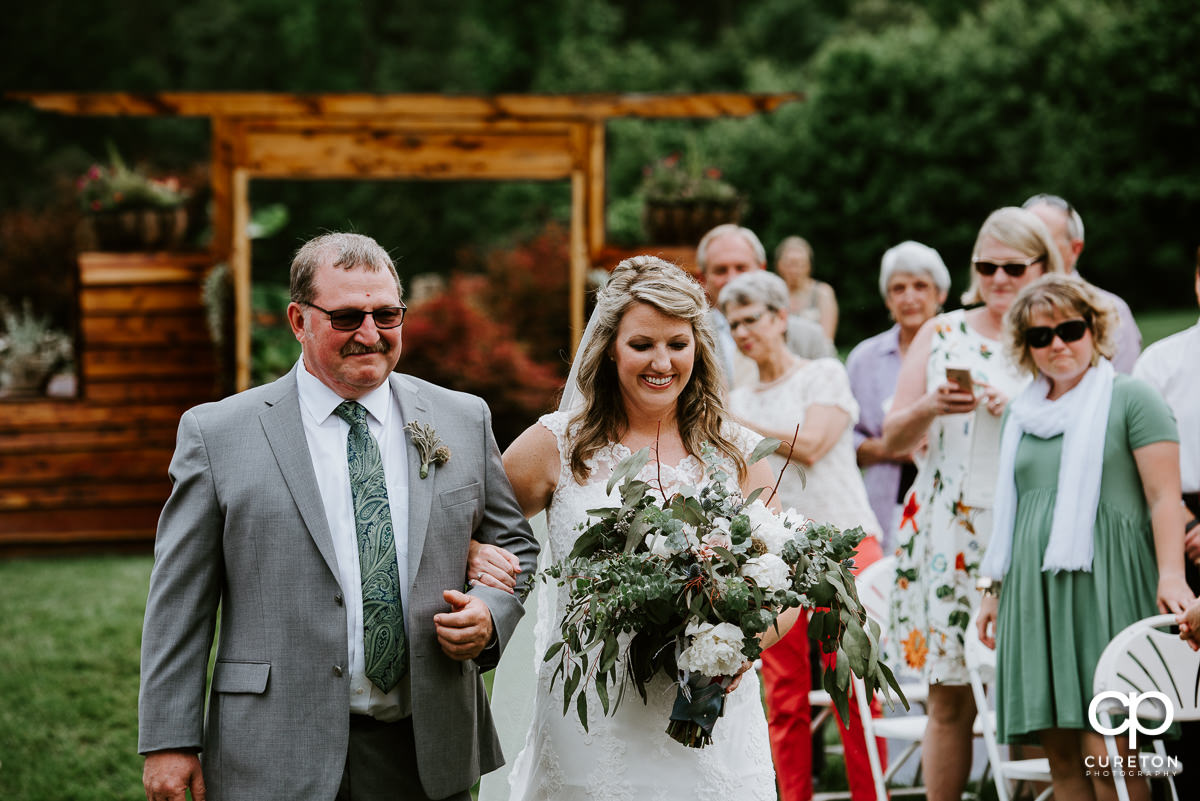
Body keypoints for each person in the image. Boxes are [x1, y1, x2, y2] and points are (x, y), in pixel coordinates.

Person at [137, 232, 540, 801]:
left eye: (387, 314)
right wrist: (168, 741)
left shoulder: (461, 418)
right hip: (273, 747)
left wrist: (490, 614)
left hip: (425, 746)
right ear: (299, 320)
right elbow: (179, 603)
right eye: (348, 316)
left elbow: (516, 546)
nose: (370, 334)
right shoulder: (217, 434)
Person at [492, 255, 797, 800]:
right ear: (609, 347)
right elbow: (479, 535)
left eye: (677, 344)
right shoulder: (556, 446)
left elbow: (785, 587)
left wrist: (737, 652)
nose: (662, 361)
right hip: (593, 719)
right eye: (642, 345)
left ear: (697, 347)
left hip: (711, 723)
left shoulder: (739, 453)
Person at [976, 274, 1193, 801]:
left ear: (1094, 330)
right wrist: (992, 589)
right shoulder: (1021, 412)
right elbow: (1010, 509)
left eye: (1070, 329)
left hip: (1106, 582)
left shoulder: (1132, 396)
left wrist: (1171, 574)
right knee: (1059, 750)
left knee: (1111, 746)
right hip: (1034, 591)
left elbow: (1165, 497)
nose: (1057, 345)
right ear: (1025, 348)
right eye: (1040, 336)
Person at [881, 207, 1064, 801]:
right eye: (987, 266)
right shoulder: (944, 332)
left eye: (1014, 266)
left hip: (1026, 528)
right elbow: (891, 438)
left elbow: (1082, 434)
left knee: (1032, 694)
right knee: (948, 693)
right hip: (945, 531)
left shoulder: (1055, 333)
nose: (999, 278)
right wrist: (931, 406)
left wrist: (1013, 410)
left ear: (1043, 266)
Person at [719, 270, 885, 801]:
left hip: (845, 544)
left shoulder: (822, 375)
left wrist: (729, 419)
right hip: (778, 557)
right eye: (735, 323)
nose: (743, 332)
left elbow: (812, 445)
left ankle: (869, 795)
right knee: (783, 693)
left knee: (853, 683)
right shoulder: (741, 393)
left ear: (781, 318)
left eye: (753, 319)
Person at [1132, 249, 1200, 795]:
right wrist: (1179, 520)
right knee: (1181, 682)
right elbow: (1141, 461)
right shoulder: (1162, 361)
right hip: (1178, 523)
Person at [847, 241, 951, 555]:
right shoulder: (865, 359)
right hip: (884, 503)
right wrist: (891, 447)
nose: (910, 297)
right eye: (898, 288)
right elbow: (843, 439)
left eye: (920, 286)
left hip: (949, 500)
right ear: (888, 300)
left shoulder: (960, 350)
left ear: (940, 294)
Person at [697, 223, 832, 387]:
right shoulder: (692, 337)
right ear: (702, 279)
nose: (732, 279)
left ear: (762, 268)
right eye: (720, 270)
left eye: (741, 268)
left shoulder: (810, 337)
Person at [1022, 193, 1142, 372]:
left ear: (1075, 249)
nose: (1030, 254)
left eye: (1042, 245)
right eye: (1023, 243)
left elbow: (1121, 387)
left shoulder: (1111, 311)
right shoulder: (1002, 308)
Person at [775, 235, 839, 342]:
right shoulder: (774, 293)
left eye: (800, 264)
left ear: (809, 266)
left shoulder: (822, 292)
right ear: (779, 265)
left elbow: (827, 340)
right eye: (790, 264)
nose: (794, 270)